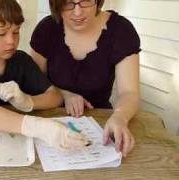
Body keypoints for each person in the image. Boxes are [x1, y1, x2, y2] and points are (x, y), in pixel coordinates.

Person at [0, 0, 90, 151]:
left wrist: (27, 101)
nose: (11, 41)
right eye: (1, 34)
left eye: (16, 32)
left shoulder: (21, 60)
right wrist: (37, 127)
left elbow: (55, 97)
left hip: (18, 143)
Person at [30, 0, 141, 157]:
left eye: (85, 1)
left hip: (100, 123)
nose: (77, 12)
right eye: (68, 3)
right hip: (49, 122)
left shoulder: (121, 30)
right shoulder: (47, 28)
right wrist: (63, 94)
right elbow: (32, 83)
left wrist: (120, 116)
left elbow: (129, 92)